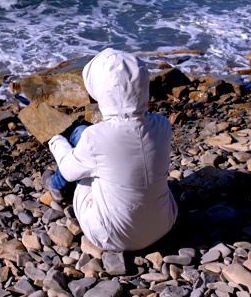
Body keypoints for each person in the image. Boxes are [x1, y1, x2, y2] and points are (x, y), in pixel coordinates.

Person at [41, 48, 178, 252]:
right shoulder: (162, 124)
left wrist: (55, 140)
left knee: (81, 150)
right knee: (87, 140)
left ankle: (55, 186)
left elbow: (69, 170)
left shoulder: (96, 137)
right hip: (165, 223)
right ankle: (59, 182)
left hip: (114, 236)